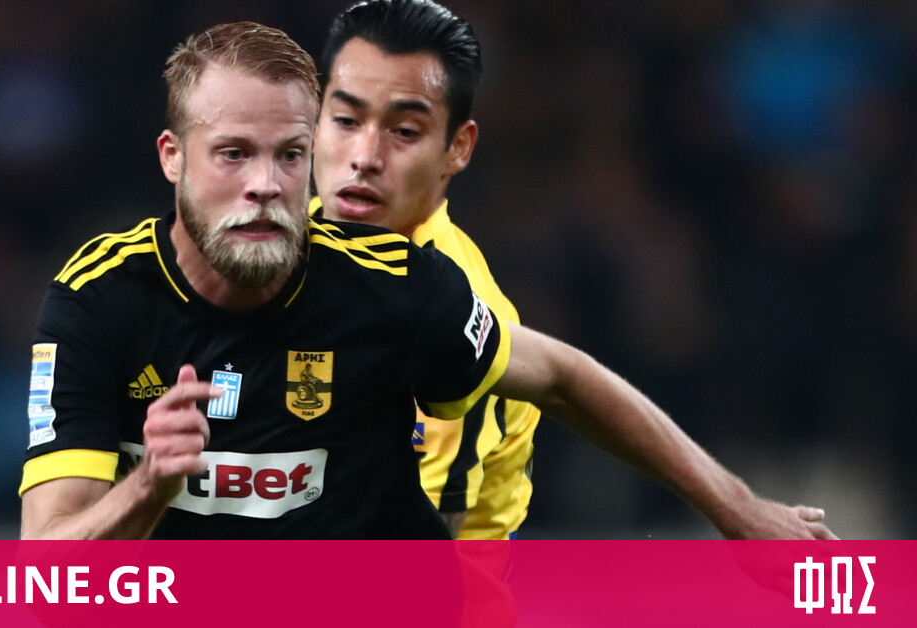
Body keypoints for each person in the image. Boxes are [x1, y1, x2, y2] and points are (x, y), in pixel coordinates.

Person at [18, 20, 835, 541]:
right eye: (233, 154)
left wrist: (737, 509)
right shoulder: (99, 299)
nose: (265, 184)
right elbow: (47, 572)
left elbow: (563, 375)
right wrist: (148, 488)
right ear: (173, 159)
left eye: (289, 156)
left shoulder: (394, 285)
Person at [310, 0, 836, 540]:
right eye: (345, 120)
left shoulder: (448, 318)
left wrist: (735, 507)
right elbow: (568, 375)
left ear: (457, 149)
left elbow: (411, 562)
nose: (364, 156)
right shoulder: (278, 243)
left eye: (404, 131)